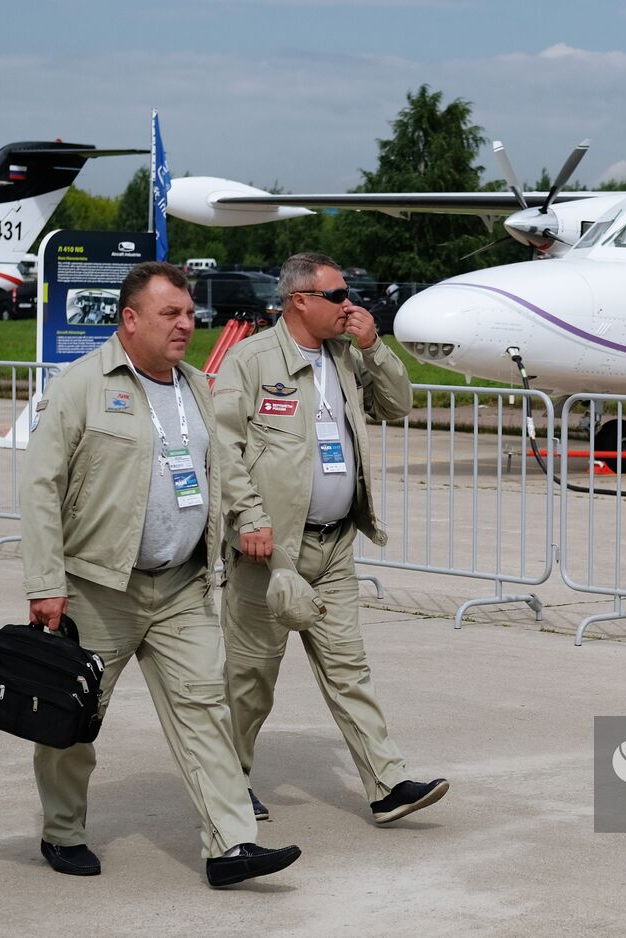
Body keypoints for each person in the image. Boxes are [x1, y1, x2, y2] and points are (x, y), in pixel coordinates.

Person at [18, 261, 301, 887]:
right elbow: (41, 485)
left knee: (206, 712)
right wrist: (45, 582)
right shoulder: (80, 386)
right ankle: (62, 831)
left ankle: (231, 847)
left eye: (187, 313)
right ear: (129, 319)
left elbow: (222, 471)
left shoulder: (199, 388)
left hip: (181, 586)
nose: (185, 324)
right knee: (74, 718)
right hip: (97, 589)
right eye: (169, 313)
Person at [213, 252, 448, 825]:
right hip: (269, 554)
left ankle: (387, 784)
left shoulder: (345, 356)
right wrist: (249, 521)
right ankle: (228, 784)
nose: (350, 305)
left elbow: (397, 404)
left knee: (350, 671)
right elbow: (223, 450)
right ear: (300, 301)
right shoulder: (251, 361)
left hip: (335, 545)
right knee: (250, 683)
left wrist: (375, 348)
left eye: (349, 294)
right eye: (338, 296)